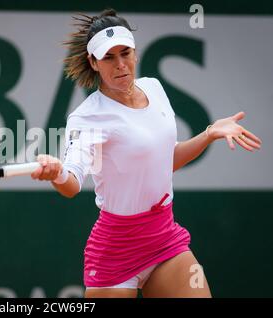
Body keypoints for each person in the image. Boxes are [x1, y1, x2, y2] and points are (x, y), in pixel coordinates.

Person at [30, 9, 262, 298]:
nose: (120, 65)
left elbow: (165, 162)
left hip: (164, 237)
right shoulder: (88, 117)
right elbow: (72, 182)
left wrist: (209, 133)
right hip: (116, 250)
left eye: (125, 53)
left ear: (135, 53)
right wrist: (58, 172)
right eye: (109, 58)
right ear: (93, 63)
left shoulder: (154, 88)